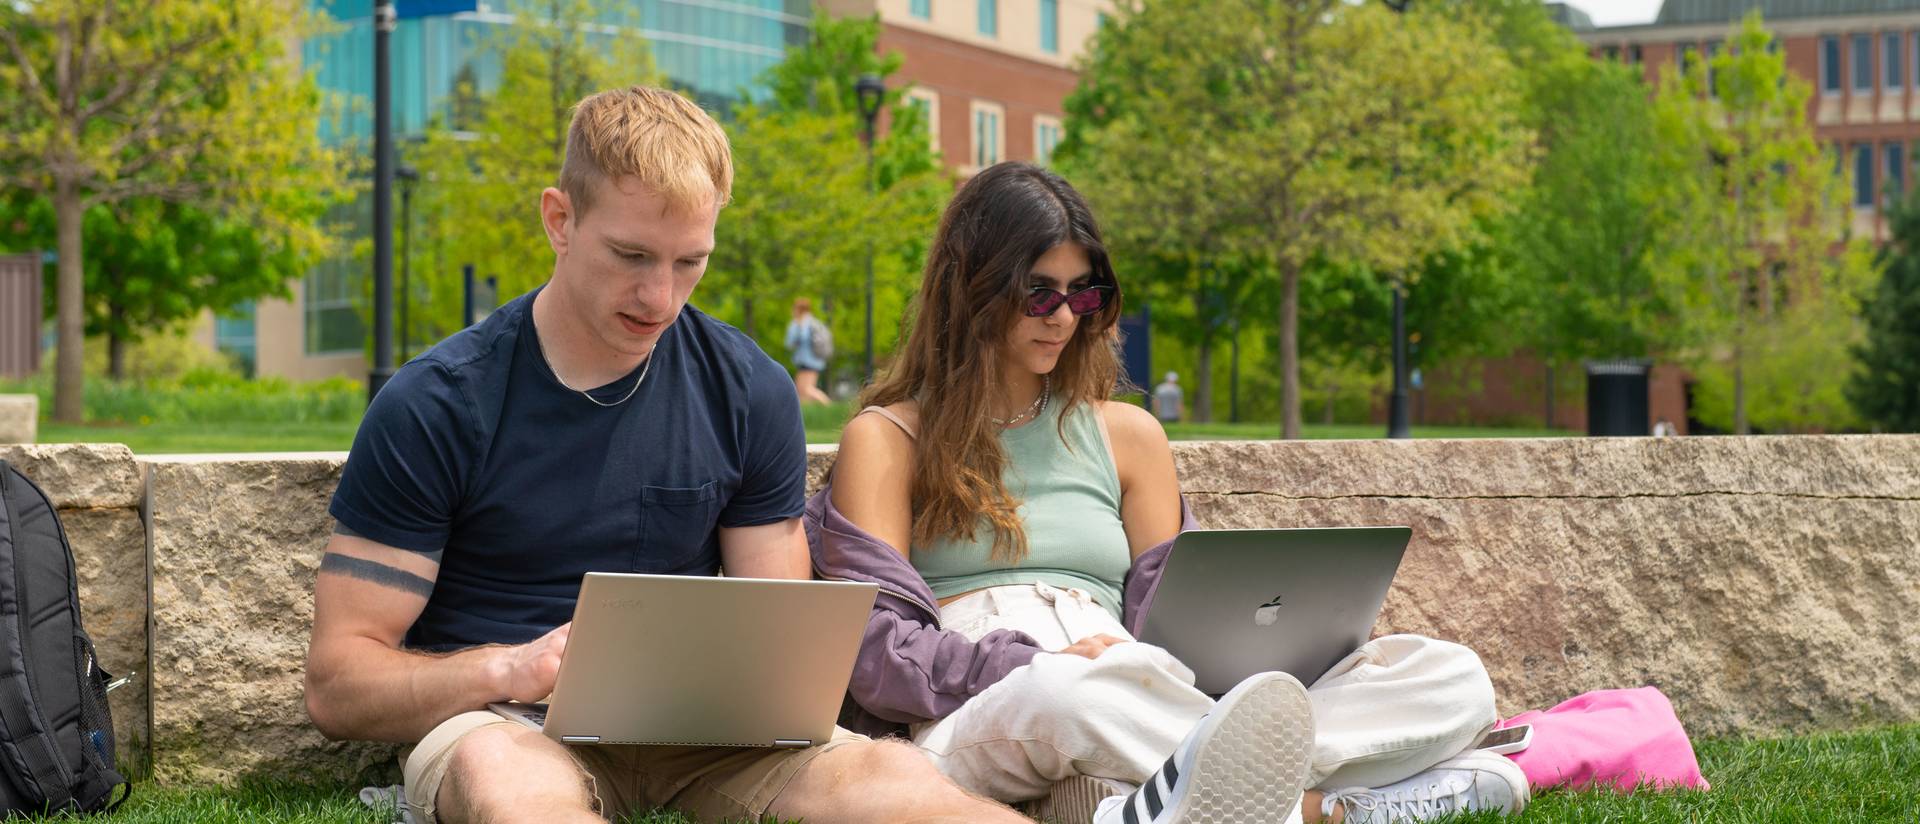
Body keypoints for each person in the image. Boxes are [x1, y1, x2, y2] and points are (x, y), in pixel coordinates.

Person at [302, 86, 1027, 824]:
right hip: (504, 720)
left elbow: (780, 641)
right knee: (512, 790)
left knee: (897, 782)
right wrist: (510, 667)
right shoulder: (439, 404)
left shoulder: (748, 390)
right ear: (559, 218)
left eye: (690, 262)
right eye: (631, 255)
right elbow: (338, 682)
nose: (659, 296)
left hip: (708, 730)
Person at [811, 162, 1527, 824]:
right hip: (997, 705)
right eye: (1039, 292)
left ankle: (1184, 794)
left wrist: (1266, 652)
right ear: (972, 287)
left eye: (1083, 292)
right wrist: (1035, 660)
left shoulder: (1129, 436)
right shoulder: (889, 438)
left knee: (1449, 677)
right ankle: (1330, 809)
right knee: (1078, 697)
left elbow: (1177, 623)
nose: (1063, 315)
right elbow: (877, 653)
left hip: (1144, 684)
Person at [784, 298, 832, 404]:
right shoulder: (814, 322)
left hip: (809, 361)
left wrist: (796, 327)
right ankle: (806, 414)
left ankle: (829, 404)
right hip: (814, 360)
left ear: (798, 309)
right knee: (801, 391)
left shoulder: (802, 323)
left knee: (806, 389)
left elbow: (790, 343)